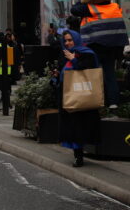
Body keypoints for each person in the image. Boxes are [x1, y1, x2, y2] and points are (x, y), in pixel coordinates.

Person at [71, 0, 128, 110]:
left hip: (95, 46)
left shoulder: (89, 8)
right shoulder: (115, 6)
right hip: (113, 47)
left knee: (93, 74)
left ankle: (96, 101)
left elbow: (74, 10)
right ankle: (113, 103)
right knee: (110, 75)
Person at [50, 30, 101, 167]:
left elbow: (89, 70)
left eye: (70, 40)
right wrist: (56, 75)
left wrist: (74, 59)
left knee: (79, 127)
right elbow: (63, 73)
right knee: (71, 127)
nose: (67, 43)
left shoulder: (86, 53)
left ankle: (80, 157)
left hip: (82, 97)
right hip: (68, 97)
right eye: (65, 40)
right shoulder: (64, 54)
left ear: (76, 39)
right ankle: (77, 155)